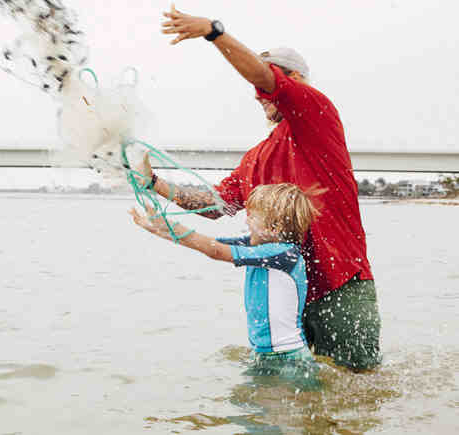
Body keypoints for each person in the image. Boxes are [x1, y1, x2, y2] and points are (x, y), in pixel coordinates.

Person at [135, 5, 381, 370]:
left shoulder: (317, 115)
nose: (256, 93)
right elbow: (214, 205)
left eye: (266, 82)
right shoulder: (255, 158)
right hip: (291, 293)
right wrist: (154, 184)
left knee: (360, 389)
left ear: (296, 79)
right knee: (309, 401)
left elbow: (267, 81)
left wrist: (212, 32)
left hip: (341, 286)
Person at [130, 183, 320, 380]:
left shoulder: (283, 254)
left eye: (252, 216)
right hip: (263, 354)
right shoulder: (257, 245)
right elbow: (206, 243)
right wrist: (157, 228)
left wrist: (173, 225)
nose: (246, 222)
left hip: (288, 359)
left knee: (271, 409)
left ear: (275, 227)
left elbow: (215, 251)